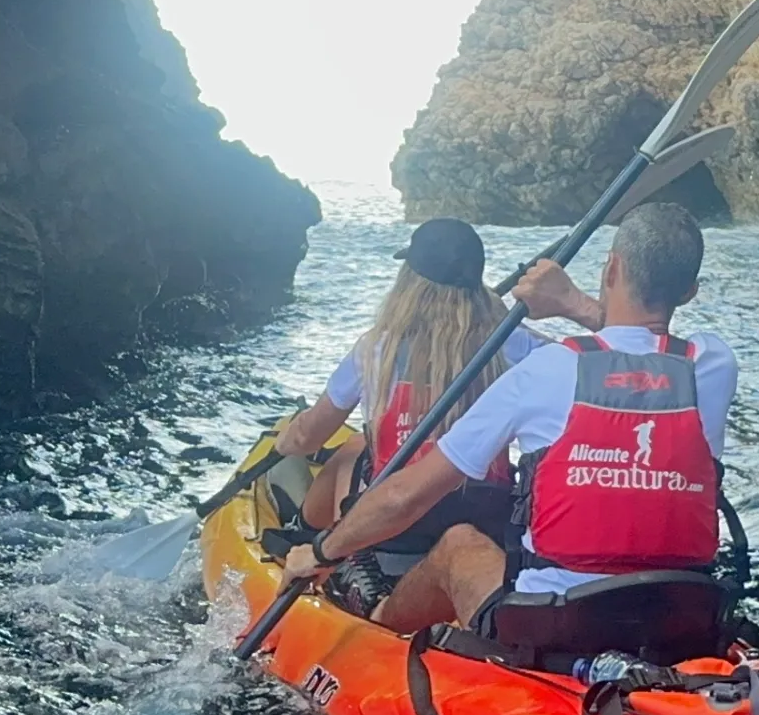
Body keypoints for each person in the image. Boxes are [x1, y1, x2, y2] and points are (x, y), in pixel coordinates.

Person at [286, 201, 735, 637]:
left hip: (556, 622)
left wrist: (323, 551)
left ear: (611, 269)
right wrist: (571, 303)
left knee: (458, 545)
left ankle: (380, 620)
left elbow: (404, 496)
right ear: (689, 292)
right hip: (680, 612)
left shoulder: (546, 371)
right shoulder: (713, 365)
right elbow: (636, 349)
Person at [268, 216, 538, 562]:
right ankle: (309, 532)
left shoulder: (376, 349)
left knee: (353, 451)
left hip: (394, 523)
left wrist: (283, 442)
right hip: (485, 512)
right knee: (355, 445)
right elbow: (582, 361)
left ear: (409, 283)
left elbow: (309, 437)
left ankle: (309, 537)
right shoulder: (512, 344)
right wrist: (507, 317)